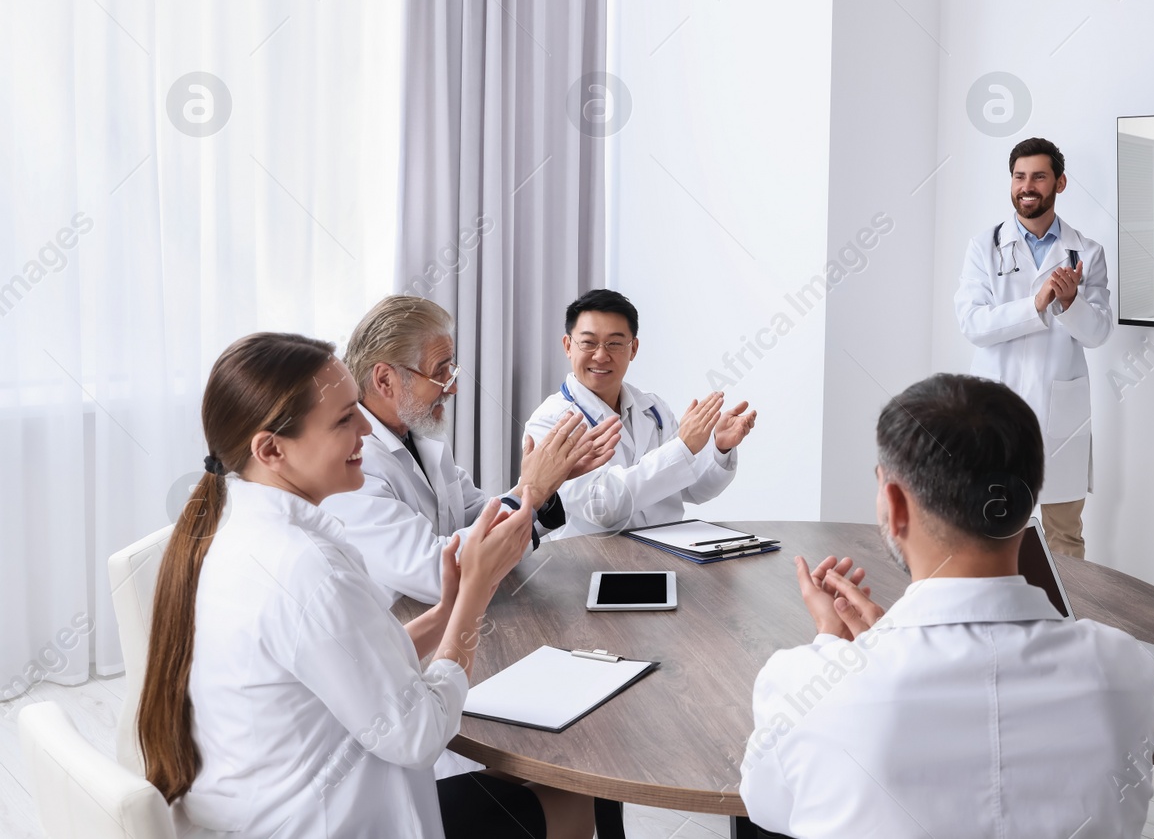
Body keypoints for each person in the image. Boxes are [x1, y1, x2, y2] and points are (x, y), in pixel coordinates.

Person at [138, 332, 595, 838]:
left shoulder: (229, 531)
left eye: (357, 407)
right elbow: (419, 734)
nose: (366, 427)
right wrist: (473, 598)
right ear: (270, 450)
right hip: (329, 822)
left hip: (259, 807)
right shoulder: (307, 569)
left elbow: (352, 656)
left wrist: (447, 609)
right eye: (342, 418)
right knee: (574, 803)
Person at [739, 373, 1154, 839]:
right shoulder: (1123, 671)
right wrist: (881, 643)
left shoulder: (804, 688)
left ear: (895, 504)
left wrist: (834, 648)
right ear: (1027, 500)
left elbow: (768, 808)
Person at [322, 295, 621, 604]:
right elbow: (436, 574)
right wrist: (532, 488)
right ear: (386, 380)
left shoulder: (419, 437)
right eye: (439, 373)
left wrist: (542, 490)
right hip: (400, 637)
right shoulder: (351, 465)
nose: (452, 387)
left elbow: (477, 518)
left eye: (451, 371)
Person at [955, 137, 1111, 558]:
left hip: (1061, 416)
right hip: (997, 414)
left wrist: (1070, 303)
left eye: (1039, 177)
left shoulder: (1087, 253)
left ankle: (1065, 623)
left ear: (1059, 184)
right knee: (994, 534)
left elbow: (1097, 334)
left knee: (1064, 538)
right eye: (1019, 176)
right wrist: (1036, 303)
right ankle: (998, 621)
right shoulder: (983, 247)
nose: (1027, 186)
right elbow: (973, 323)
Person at [524, 288, 757, 537]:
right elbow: (602, 508)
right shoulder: (549, 421)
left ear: (633, 349)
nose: (601, 355)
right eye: (589, 343)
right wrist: (683, 447)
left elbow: (694, 490)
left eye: (614, 343)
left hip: (664, 552)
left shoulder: (653, 408)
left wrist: (719, 449)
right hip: (588, 562)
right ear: (568, 346)